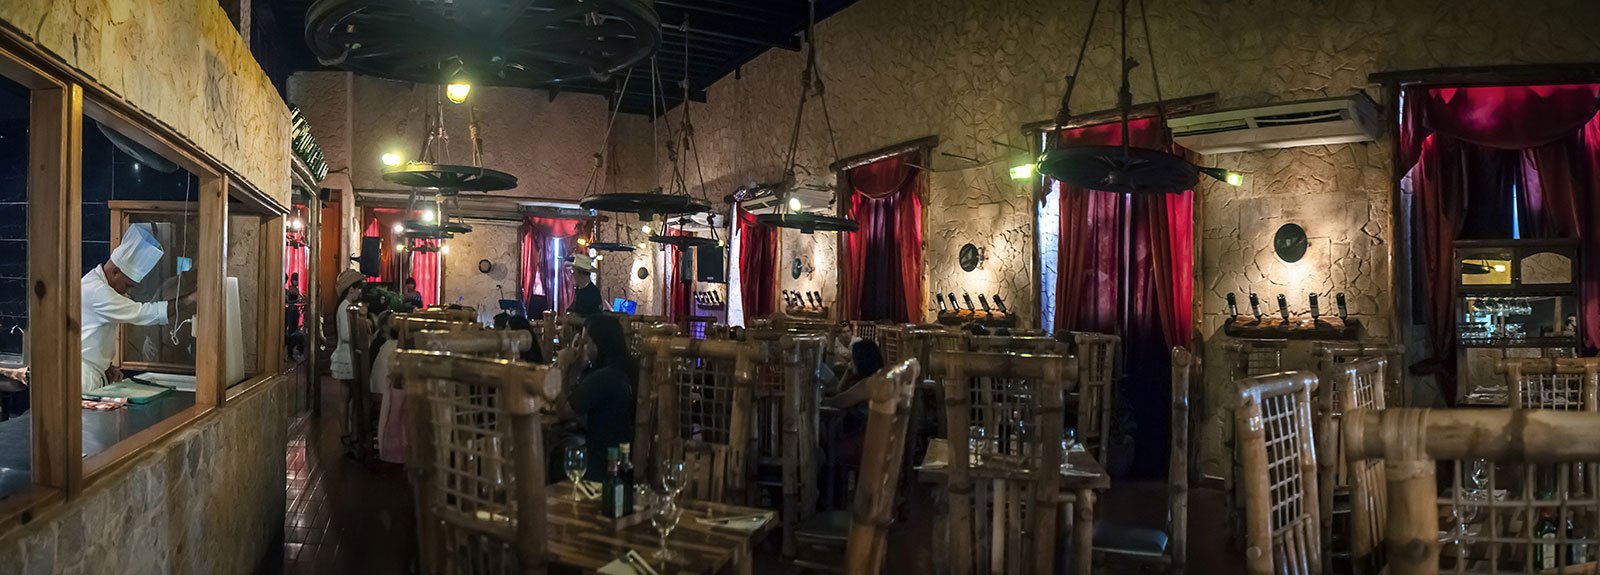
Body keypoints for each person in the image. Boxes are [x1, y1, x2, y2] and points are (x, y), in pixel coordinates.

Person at [81, 225, 193, 392]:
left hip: (92, 372)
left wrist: (105, 366)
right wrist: (189, 300)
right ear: (115, 272)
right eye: (127, 285)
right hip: (83, 378)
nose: (127, 291)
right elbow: (142, 313)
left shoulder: (94, 283)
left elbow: (88, 335)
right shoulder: (97, 291)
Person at [549, 314, 634, 479]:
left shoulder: (604, 377)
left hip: (602, 463)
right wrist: (578, 368)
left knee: (556, 456)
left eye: (586, 342)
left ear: (598, 344)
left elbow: (564, 412)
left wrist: (562, 366)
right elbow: (575, 397)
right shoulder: (623, 368)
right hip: (620, 456)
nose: (582, 348)